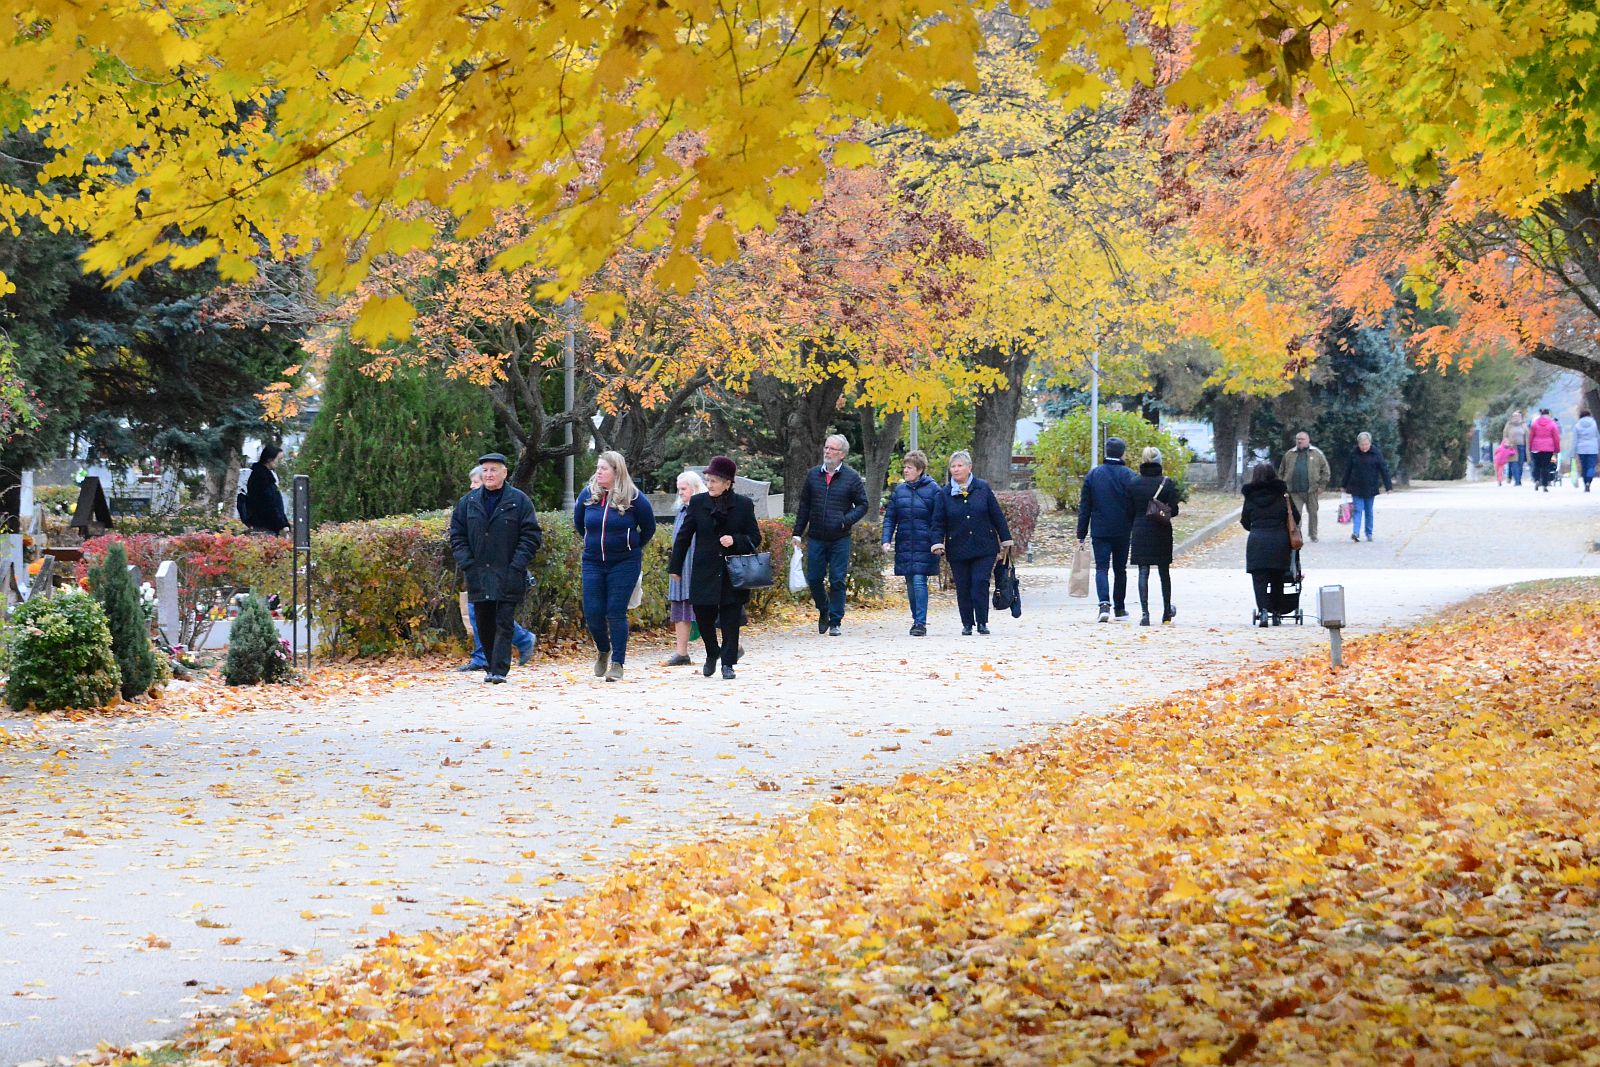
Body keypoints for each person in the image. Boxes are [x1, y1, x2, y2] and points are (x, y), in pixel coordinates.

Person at [449, 452, 544, 683]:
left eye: (493, 470)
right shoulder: (468, 502)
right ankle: (491, 666)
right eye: (485, 470)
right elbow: (457, 535)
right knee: (484, 621)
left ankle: (500, 670)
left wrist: (518, 564)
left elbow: (531, 535)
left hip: (508, 571)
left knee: (503, 620)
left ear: (504, 473)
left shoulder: (519, 501)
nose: (489, 474)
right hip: (478, 572)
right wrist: (467, 563)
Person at [671, 455, 762, 679]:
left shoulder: (743, 505)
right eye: (708, 480)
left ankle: (728, 664)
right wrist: (675, 566)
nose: (709, 484)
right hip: (704, 569)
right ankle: (712, 652)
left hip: (732, 572)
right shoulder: (698, 502)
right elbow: (684, 536)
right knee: (703, 615)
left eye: (714, 481)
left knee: (731, 619)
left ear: (727, 483)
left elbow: (755, 537)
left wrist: (735, 540)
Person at [574, 451, 655, 682]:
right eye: (598, 468)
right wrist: (593, 542)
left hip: (624, 562)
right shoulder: (587, 494)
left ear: (616, 471)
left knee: (615, 611)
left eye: (604, 468)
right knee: (593, 613)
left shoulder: (635, 498)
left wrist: (630, 545)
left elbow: (648, 528)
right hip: (593, 561)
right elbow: (579, 524)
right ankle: (603, 649)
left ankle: (618, 663)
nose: (598, 472)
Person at [930, 450, 1013, 636]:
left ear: (969, 468)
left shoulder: (982, 488)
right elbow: (938, 522)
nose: (956, 469)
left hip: (984, 546)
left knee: (980, 582)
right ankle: (967, 623)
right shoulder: (944, 494)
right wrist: (937, 542)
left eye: (960, 465)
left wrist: (1005, 539)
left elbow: (996, 515)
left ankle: (982, 621)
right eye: (953, 466)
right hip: (958, 547)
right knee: (963, 586)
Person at [792, 434, 868, 636]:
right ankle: (824, 609)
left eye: (832, 449)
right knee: (814, 578)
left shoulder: (851, 477)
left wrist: (845, 520)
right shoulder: (813, 475)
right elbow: (804, 506)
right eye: (826, 447)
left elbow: (863, 504)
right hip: (816, 536)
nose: (827, 451)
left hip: (840, 537)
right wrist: (797, 533)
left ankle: (835, 621)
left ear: (842, 454)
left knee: (837, 580)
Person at [880, 450, 944, 637]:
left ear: (920, 470)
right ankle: (916, 618)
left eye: (909, 467)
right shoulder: (899, 491)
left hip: (925, 544)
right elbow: (890, 518)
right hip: (905, 543)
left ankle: (920, 623)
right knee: (910, 582)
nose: (905, 471)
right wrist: (886, 539)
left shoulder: (934, 490)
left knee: (918, 580)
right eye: (905, 467)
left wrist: (938, 542)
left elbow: (939, 519)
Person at [1076, 436, 1137, 623]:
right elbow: (1134, 504)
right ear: (1122, 453)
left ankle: (1104, 605)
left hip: (1100, 529)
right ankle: (1120, 609)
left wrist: (1081, 533)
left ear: (1106, 452)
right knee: (1120, 569)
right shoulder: (1130, 475)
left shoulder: (1094, 475)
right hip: (1122, 529)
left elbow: (1085, 506)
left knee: (1101, 568)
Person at [1240, 462, 1299, 628]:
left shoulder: (1250, 497)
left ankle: (1263, 610)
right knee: (1277, 578)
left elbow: (1245, 521)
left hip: (1257, 541)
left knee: (1259, 579)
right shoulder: (1283, 496)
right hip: (1279, 541)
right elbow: (1295, 517)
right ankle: (1276, 613)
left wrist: (1256, 527)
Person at [1128, 446, 1181, 626]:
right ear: (1159, 461)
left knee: (1143, 571)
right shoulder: (1166, 483)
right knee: (1164, 571)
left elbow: (1129, 510)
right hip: (1161, 531)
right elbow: (1174, 510)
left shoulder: (1134, 483)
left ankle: (1145, 614)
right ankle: (1166, 612)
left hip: (1140, 531)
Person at [662, 470, 708, 665]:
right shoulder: (682, 510)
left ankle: (731, 646)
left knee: (709, 609)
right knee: (680, 607)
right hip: (681, 566)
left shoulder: (704, 509)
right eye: (678, 489)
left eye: (684, 489)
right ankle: (681, 652)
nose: (680, 493)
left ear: (695, 488)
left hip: (698, 567)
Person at [1276, 431, 1330, 543]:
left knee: (1313, 513)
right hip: (1294, 491)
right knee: (1296, 514)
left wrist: (1321, 486)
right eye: (1298, 439)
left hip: (1312, 490)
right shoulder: (1289, 454)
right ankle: (1297, 534)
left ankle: (1313, 534)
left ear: (1308, 440)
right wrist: (1282, 487)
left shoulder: (1316, 453)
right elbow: (1281, 471)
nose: (1300, 441)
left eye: (1302, 439)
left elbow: (1325, 471)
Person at [1340, 432, 1392, 542]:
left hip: (1370, 487)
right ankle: (1356, 533)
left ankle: (1369, 533)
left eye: (1366, 444)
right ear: (1358, 444)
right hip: (1356, 487)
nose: (1364, 447)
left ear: (1370, 443)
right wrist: (1343, 485)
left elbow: (1384, 469)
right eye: (1362, 445)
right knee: (1357, 510)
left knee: (1368, 511)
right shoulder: (1354, 453)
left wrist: (1388, 486)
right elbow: (1348, 470)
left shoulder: (1376, 453)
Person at [242, 444, 290, 535]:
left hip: (267, 525)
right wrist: (282, 524)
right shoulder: (261, 478)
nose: (281, 463)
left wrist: (284, 522)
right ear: (269, 459)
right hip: (264, 526)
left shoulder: (266, 476)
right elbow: (268, 504)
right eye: (279, 459)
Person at [1528, 408, 1560, 492]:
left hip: (1536, 447)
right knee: (1545, 466)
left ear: (1541, 414)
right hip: (1548, 448)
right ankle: (1545, 484)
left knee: (1537, 465)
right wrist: (1557, 448)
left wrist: (1530, 447)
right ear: (1548, 414)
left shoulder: (1535, 423)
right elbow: (1556, 437)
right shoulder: (1552, 424)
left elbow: (1531, 436)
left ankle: (1537, 480)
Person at [1574, 409, 1599, 492]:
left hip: (1581, 449)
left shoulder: (1577, 425)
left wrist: (1573, 452)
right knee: (1591, 466)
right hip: (1593, 448)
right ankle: (1589, 481)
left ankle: (1586, 483)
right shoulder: (1594, 424)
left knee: (1584, 466)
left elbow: (1575, 440)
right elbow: (1597, 437)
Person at [1502, 410, 1528, 486]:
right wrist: (1507, 443)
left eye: (1518, 416)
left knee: (1520, 463)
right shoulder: (1509, 425)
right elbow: (1505, 435)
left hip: (1522, 446)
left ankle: (1519, 479)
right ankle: (1517, 481)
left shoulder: (1523, 425)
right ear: (1512, 417)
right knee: (1514, 463)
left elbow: (1527, 434)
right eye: (1515, 416)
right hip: (1512, 447)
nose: (1517, 417)